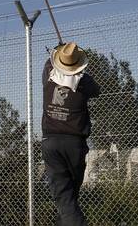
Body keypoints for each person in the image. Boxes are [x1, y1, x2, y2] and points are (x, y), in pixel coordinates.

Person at [41, 42, 100, 226]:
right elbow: (97, 91)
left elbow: (49, 63)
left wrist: (58, 51)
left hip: (51, 142)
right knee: (69, 195)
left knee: (66, 197)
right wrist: (79, 70)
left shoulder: (48, 76)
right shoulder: (84, 82)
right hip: (74, 144)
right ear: (78, 64)